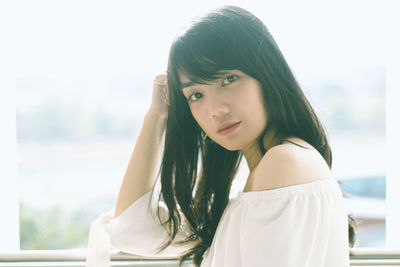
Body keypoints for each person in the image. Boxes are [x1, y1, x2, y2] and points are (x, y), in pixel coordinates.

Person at [86, 5, 357, 267]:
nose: (215, 109)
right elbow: (133, 230)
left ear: (267, 72)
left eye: (228, 80)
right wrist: (157, 116)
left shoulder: (283, 164)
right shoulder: (266, 177)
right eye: (195, 95)